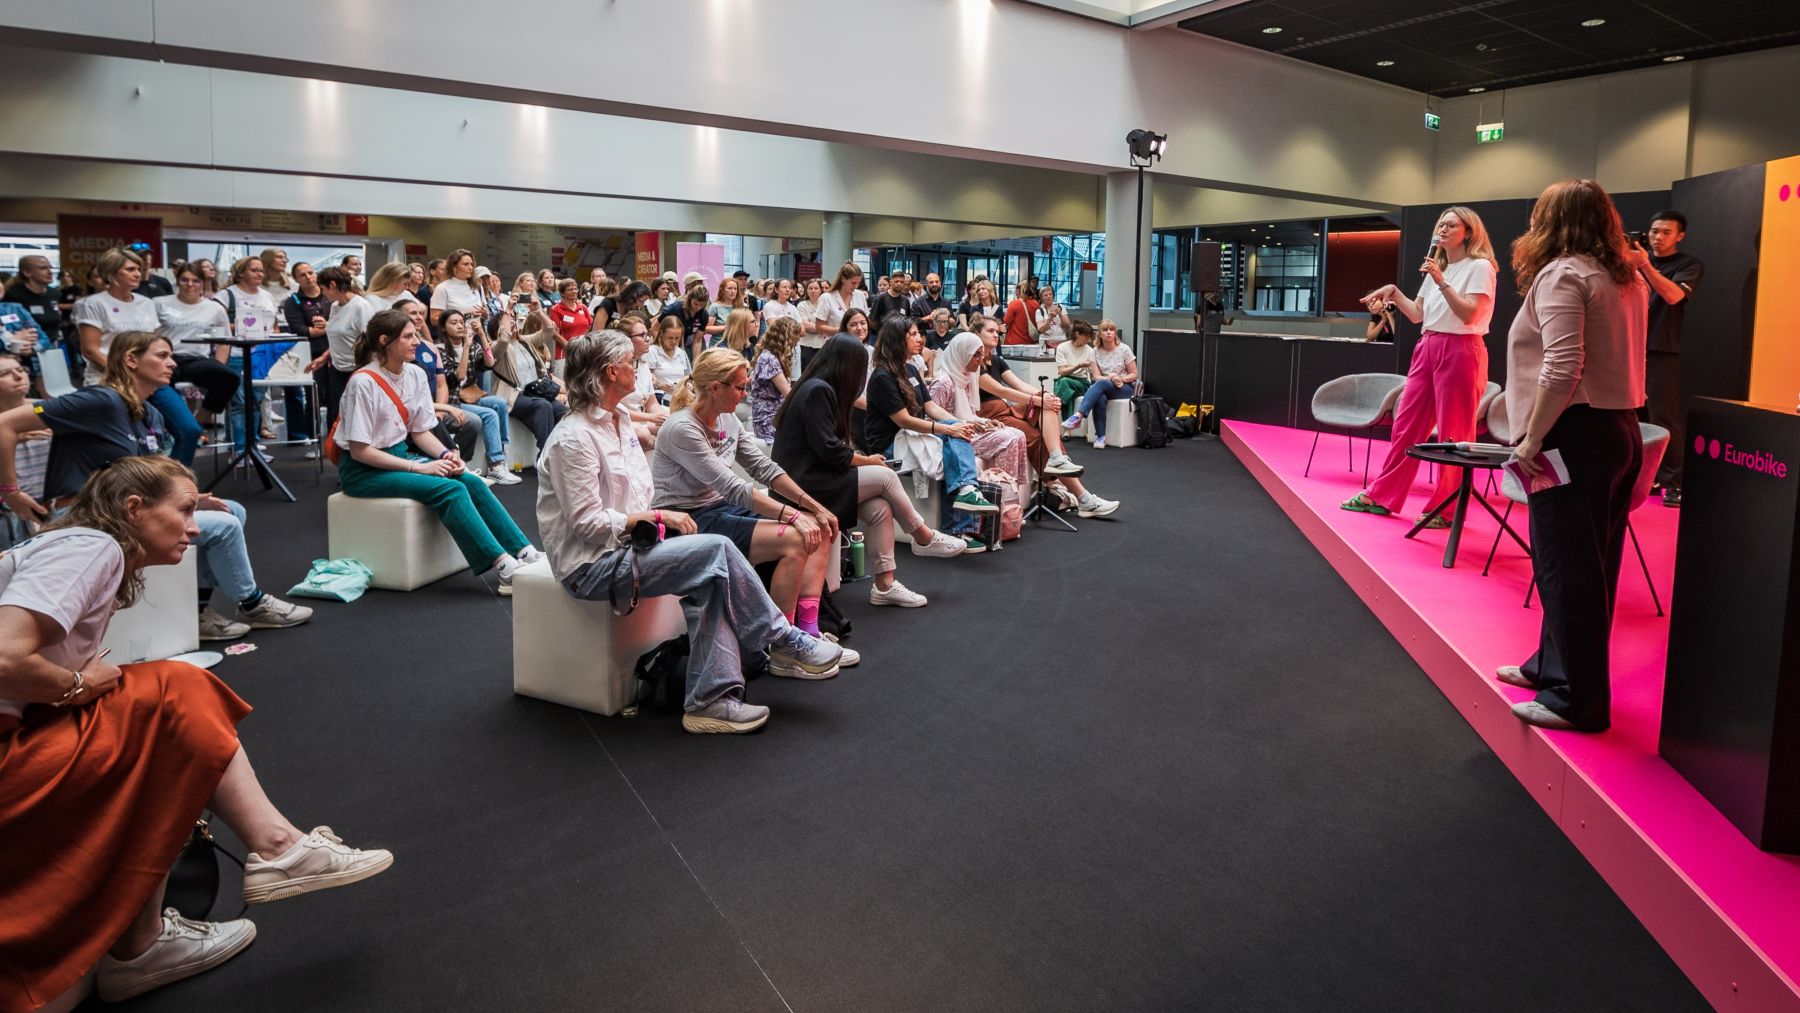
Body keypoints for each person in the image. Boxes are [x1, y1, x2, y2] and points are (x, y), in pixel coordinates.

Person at [0, 455, 391, 1008]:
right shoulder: (92, 546)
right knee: (175, 690)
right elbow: (4, 658)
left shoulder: (82, 547)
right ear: (133, 509)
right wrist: (77, 685)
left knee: (164, 708)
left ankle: (144, 944)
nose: (195, 527)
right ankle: (276, 848)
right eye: (184, 510)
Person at [536, 334, 845, 733]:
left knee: (711, 573)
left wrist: (654, 519)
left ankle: (710, 701)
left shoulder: (621, 420)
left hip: (635, 544)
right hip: (591, 566)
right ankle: (782, 639)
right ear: (612, 372)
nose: (639, 369)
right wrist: (658, 515)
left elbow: (646, 495)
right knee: (716, 550)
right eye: (633, 362)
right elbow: (587, 524)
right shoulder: (574, 438)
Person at [0, 331, 312, 640]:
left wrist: (189, 501)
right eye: (162, 356)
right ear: (131, 360)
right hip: (82, 517)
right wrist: (10, 492)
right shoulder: (99, 400)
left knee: (231, 510)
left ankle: (197, 612)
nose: (172, 364)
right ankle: (251, 603)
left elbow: (150, 481)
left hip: (130, 513)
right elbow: (5, 423)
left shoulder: (150, 414)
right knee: (224, 525)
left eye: (171, 356)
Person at [1495, 178, 1649, 733]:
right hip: (1618, 430)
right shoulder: (1626, 277)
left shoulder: (1563, 274)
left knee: (1564, 568)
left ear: (1550, 221)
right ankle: (1552, 668)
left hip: (1573, 434)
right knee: (1590, 565)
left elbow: (1562, 367)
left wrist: (1531, 438)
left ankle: (1575, 700)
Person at [652, 348, 848, 650]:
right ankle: (783, 645)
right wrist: (794, 515)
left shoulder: (727, 419)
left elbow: (763, 468)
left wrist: (816, 508)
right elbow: (733, 488)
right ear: (715, 388)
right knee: (795, 538)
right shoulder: (681, 428)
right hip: (687, 520)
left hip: (718, 509)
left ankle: (808, 630)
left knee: (820, 527)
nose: (745, 394)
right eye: (740, 387)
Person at [333, 308, 541, 594]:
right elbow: (359, 451)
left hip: (398, 457)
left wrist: (445, 456)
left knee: (470, 480)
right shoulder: (363, 382)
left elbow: (420, 431)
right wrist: (419, 467)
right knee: (450, 489)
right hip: (362, 472)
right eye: (408, 336)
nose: (417, 341)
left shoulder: (415, 374)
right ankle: (504, 567)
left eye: (416, 335)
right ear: (384, 341)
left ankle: (524, 551)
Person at [775, 330, 965, 606]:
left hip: (814, 477)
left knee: (879, 508)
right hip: (806, 483)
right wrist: (866, 460)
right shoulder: (818, 390)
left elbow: (829, 448)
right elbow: (830, 449)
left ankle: (885, 586)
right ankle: (923, 536)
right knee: (885, 476)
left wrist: (861, 459)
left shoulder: (818, 388)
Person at [1342, 205, 1498, 525]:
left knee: (1454, 432)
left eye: (1451, 225)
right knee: (1406, 424)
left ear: (1469, 232)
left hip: (1461, 348)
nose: (1442, 230)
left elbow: (1470, 314)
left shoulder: (1480, 267)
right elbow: (1417, 315)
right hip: (1427, 346)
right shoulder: (1436, 268)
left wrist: (1441, 281)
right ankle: (1382, 495)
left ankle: (1446, 508)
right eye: (1440, 225)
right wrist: (1394, 292)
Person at [970, 317, 1117, 516]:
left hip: (1005, 410)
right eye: (990, 331)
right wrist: (1037, 399)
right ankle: (1084, 497)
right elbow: (1002, 391)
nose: (996, 335)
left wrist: (1044, 396)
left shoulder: (997, 360)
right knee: (1039, 436)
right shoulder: (974, 364)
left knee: (1046, 401)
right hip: (990, 417)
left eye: (997, 331)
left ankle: (1057, 458)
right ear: (977, 334)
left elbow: (1020, 385)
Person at [863, 317, 997, 519]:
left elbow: (931, 406)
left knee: (957, 432)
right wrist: (948, 428)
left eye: (918, 333)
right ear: (897, 340)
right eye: (913, 334)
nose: (920, 339)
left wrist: (960, 424)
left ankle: (967, 494)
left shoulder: (910, 369)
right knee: (952, 443)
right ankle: (963, 511)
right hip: (890, 443)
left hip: (911, 436)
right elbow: (904, 420)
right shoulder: (882, 376)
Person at [929, 333, 1032, 547]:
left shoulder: (966, 377)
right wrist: (969, 424)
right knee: (1008, 438)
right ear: (961, 354)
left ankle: (1008, 501)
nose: (980, 360)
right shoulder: (943, 383)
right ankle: (1000, 503)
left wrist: (985, 422)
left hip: (966, 430)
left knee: (1018, 434)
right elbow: (933, 420)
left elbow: (969, 414)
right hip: (949, 437)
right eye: (975, 355)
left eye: (981, 354)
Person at [1636, 210, 1703, 507]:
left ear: (1680, 236)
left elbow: (1674, 296)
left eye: (1666, 232)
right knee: (1631, 416)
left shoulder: (1688, 264)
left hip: (1661, 348)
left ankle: (1673, 483)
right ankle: (1644, 477)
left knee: (1662, 416)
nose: (1658, 237)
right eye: (1654, 231)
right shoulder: (1633, 262)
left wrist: (1644, 266)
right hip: (1629, 347)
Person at [152, 263, 241, 462]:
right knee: (156, 385)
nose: (190, 285)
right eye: (185, 280)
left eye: (195, 281)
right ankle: (166, 430)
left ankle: (198, 422)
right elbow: (150, 335)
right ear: (178, 281)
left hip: (196, 359)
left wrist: (219, 365)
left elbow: (223, 342)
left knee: (230, 378)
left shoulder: (214, 308)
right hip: (167, 357)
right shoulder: (159, 303)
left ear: (203, 283)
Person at [439, 309, 519, 484]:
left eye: (461, 322)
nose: (460, 326)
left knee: (499, 403)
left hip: (470, 396)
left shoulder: (474, 345)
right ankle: (495, 465)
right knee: (489, 414)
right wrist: (466, 347)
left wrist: (481, 334)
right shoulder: (440, 350)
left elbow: (490, 363)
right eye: (454, 323)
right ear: (443, 328)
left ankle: (501, 456)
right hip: (452, 401)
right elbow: (459, 376)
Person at [74, 247, 161, 385]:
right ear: (111, 273)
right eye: (130, 270)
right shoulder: (92, 304)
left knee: (173, 400)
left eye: (138, 269)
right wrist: (125, 375)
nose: (138, 274)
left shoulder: (147, 303)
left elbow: (155, 343)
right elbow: (90, 351)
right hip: (107, 377)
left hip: (145, 377)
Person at [490, 306, 567, 447]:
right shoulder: (495, 347)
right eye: (507, 321)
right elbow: (503, 341)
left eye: (512, 319)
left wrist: (538, 311)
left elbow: (550, 330)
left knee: (561, 410)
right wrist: (507, 314)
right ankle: (545, 451)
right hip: (513, 396)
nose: (512, 322)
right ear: (498, 328)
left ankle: (559, 450)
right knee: (543, 406)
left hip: (535, 393)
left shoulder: (525, 341)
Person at [1060, 319, 1139, 447]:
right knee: (1100, 396)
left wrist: (1120, 378)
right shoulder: (1094, 352)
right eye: (1105, 330)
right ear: (1100, 334)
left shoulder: (1124, 349)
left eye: (1111, 330)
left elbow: (1134, 374)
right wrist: (1110, 378)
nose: (1108, 332)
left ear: (1115, 333)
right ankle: (1100, 437)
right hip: (1105, 385)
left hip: (1123, 387)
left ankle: (1078, 416)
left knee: (1101, 385)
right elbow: (1096, 377)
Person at [308, 266, 368, 430]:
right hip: (336, 369)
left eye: (323, 288)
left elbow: (370, 340)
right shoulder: (335, 306)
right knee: (335, 415)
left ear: (332, 285)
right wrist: (325, 357)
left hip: (356, 369)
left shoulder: (360, 307)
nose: (322, 294)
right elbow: (339, 336)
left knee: (354, 418)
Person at [0, 352, 48, 549]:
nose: (18, 376)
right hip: (9, 508)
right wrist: (13, 438)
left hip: (52, 502)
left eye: (20, 369)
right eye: (5, 373)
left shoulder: (48, 409)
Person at [748, 317, 800, 442]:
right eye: (796, 336)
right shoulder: (768, 359)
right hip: (768, 418)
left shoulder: (773, 356)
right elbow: (788, 394)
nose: (798, 340)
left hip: (777, 414)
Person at [813, 262, 869, 342]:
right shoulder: (826, 298)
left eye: (858, 283)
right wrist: (843, 330)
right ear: (843, 279)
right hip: (835, 344)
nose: (856, 286)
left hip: (858, 344)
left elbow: (866, 320)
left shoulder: (860, 295)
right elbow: (819, 327)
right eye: (853, 283)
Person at [1052, 318, 1097, 420]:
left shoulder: (1090, 351)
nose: (1089, 340)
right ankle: (1069, 424)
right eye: (1086, 337)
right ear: (1077, 334)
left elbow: (1092, 375)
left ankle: (1056, 403)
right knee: (1068, 391)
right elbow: (1062, 371)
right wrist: (1079, 365)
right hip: (1065, 380)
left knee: (1063, 383)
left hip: (1081, 383)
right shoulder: (1062, 347)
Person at [427, 248, 482, 331]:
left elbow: (481, 314)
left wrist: (484, 314)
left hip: (477, 334)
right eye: (466, 264)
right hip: (455, 335)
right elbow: (434, 319)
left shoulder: (475, 287)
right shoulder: (442, 288)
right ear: (454, 267)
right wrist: (465, 317)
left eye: (472, 264)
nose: (470, 267)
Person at [646, 313, 692, 397]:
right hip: (659, 398)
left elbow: (687, 378)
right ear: (661, 334)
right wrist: (659, 385)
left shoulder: (681, 353)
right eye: (670, 338)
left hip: (679, 398)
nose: (674, 342)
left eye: (677, 338)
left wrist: (688, 385)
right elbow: (645, 378)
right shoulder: (652, 351)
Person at [546, 278, 591, 360]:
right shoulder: (556, 309)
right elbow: (555, 334)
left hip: (584, 352)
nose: (574, 291)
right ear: (562, 293)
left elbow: (591, 327)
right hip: (565, 354)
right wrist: (570, 348)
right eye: (570, 289)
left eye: (575, 289)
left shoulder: (583, 307)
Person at [795, 277, 827, 369]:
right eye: (810, 288)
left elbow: (832, 323)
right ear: (806, 290)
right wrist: (824, 328)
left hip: (824, 345)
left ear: (821, 290)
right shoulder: (802, 305)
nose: (813, 291)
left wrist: (822, 327)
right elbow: (806, 325)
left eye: (816, 288)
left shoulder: (826, 304)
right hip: (807, 346)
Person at [1002, 279, 1040, 346]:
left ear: (1018, 291)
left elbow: (1006, 322)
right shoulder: (1036, 304)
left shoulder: (1014, 304)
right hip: (1031, 342)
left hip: (1014, 342)